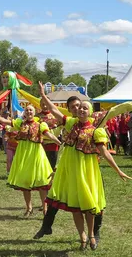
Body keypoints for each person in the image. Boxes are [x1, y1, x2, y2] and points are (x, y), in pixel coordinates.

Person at [38, 81, 132, 250]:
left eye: (84, 108)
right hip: (71, 169)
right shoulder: (70, 123)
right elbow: (54, 111)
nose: (81, 109)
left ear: (90, 112)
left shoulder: (96, 130)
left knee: (90, 205)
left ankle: (92, 234)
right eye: (79, 107)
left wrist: (118, 171)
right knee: (75, 206)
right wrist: (44, 95)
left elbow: (104, 152)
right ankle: (81, 236)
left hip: (88, 171)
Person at [34, 96, 105, 244]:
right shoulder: (66, 122)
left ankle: (95, 233)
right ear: (69, 109)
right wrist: (58, 167)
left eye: (79, 106)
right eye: (73, 107)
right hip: (68, 164)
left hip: (89, 167)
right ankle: (46, 226)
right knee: (56, 194)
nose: (77, 108)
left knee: (94, 198)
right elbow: (62, 146)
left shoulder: (92, 123)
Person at [0, 105, 61, 216]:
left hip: (36, 153)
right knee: (25, 182)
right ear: (25, 113)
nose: (28, 111)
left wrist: (59, 142)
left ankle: (45, 209)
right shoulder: (20, 123)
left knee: (42, 181)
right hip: (23, 154)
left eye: (30, 110)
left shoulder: (40, 124)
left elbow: (48, 134)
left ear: (34, 112)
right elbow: (5, 121)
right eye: (26, 110)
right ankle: (29, 208)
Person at [36, 98, 60, 169]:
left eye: (46, 104)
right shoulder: (37, 116)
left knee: (53, 163)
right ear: (40, 105)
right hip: (41, 143)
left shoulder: (55, 115)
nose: (45, 106)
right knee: (42, 163)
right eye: (43, 104)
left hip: (54, 143)